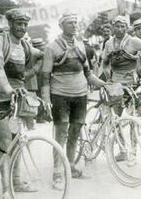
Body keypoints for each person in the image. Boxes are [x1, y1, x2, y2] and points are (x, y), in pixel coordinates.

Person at [0, 9, 43, 198]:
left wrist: (41, 63)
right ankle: (6, 188)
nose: (22, 28)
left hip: (16, 97)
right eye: (18, 23)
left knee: (18, 141)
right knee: (6, 142)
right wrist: (9, 90)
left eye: (25, 24)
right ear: (10, 24)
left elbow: (41, 54)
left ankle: (17, 181)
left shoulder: (23, 44)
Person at [41, 13, 105, 188]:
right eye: (70, 23)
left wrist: (104, 84)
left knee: (75, 131)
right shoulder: (51, 48)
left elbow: (88, 73)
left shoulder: (80, 46)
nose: (74, 25)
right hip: (60, 94)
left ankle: (71, 166)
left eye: (76, 22)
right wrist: (46, 99)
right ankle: (57, 173)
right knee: (60, 133)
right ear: (62, 26)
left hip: (80, 94)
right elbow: (45, 77)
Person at [102, 15, 141, 164]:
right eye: (117, 26)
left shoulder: (133, 41)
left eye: (123, 26)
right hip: (115, 85)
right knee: (116, 118)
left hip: (133, 85)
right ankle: (122, 150)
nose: (120, 29)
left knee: (134, 119)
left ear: (127, 27)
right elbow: (105, 62)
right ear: (113, 27)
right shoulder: (109, 43)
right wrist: (108, 76)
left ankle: (133, 152)